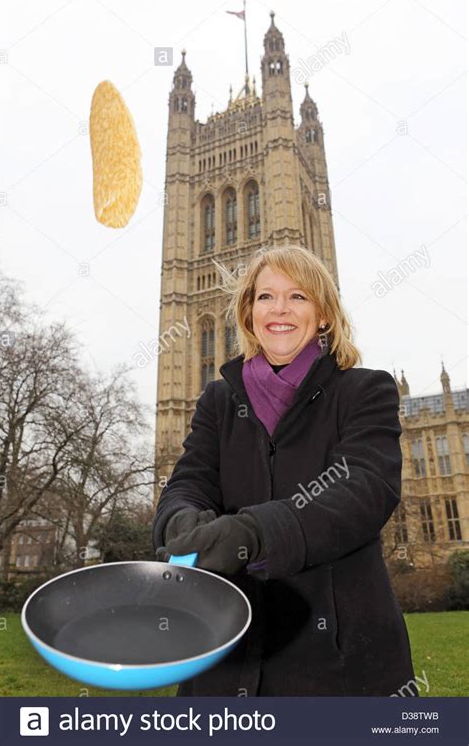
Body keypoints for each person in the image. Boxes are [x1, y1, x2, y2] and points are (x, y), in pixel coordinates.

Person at [152, 245, 416, 696]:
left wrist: (255, 534)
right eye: (265, 297)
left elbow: (363, 488)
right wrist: (181, 521)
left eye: (298, 297)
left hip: (338, 663)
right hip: (223, 658)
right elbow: (190, 480)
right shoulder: (218, 401)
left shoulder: (363, 391)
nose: (279, 309)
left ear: (324, 314)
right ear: (248, 311)